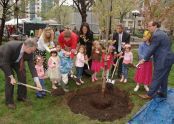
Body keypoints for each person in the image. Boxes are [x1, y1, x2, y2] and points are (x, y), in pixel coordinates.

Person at [0, 38, 42, 109]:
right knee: (10, 80)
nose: (32, 52)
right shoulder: (10, 47)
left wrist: (37, 82)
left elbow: (32, 67)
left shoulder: (30, 52)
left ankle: (21, 96)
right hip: (4, 60)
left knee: (22, 75)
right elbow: (4, 63)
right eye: (31, 50)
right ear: (27, 47)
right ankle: (9, 102)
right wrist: (11, 77)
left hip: (17, 61)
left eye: (33, 51)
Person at [139, 21, 174, 99]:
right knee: (164, 77)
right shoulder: (163, 33)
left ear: (155, 26)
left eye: (149, 26)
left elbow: (152, 49)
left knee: (157, 76)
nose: (148, 28)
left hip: (163, 60)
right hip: (169, 59)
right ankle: (163, 93)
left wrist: (144, 59)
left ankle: (150, 94)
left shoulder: (157, 35)